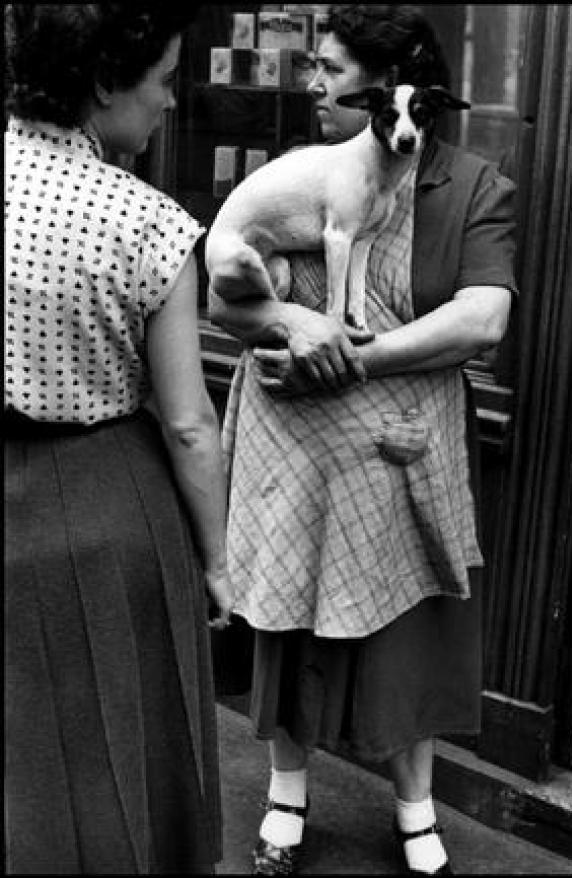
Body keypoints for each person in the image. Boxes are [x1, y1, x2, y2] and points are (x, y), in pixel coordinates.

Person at [208, 5, 517, 876]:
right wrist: (294, 326)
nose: (313, 84)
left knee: (407, 625)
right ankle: (285, 797)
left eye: (333, 70)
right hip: (297, 439)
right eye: (315, 66)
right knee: (292, 625)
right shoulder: (303, 176)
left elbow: (481, 319)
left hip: (401, 438)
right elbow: (221, 298)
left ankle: (417, 812)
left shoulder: (471, 186)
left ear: (401, 81)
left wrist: (353, 356)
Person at [4, 4, 233, 874]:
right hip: (106, 511)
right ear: (104, 82)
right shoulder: (151, 224)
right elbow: (187, 423)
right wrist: (216, 563)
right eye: (166, 81)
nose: (171, 104)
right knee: (121, 757)